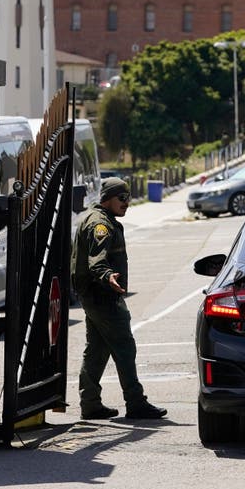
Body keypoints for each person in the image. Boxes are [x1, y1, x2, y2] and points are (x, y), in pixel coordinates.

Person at [70, 177, 167, 420]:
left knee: (97, 350)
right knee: (124, 346)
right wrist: (107, 277)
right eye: (122, 198)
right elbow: (97, 260)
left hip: (95, 296)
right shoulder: (100, 225)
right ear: (108, 198)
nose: (127, 203)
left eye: (129, 198)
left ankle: (90, 404)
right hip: (103, 297)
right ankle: (135, 402)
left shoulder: (101, 219)